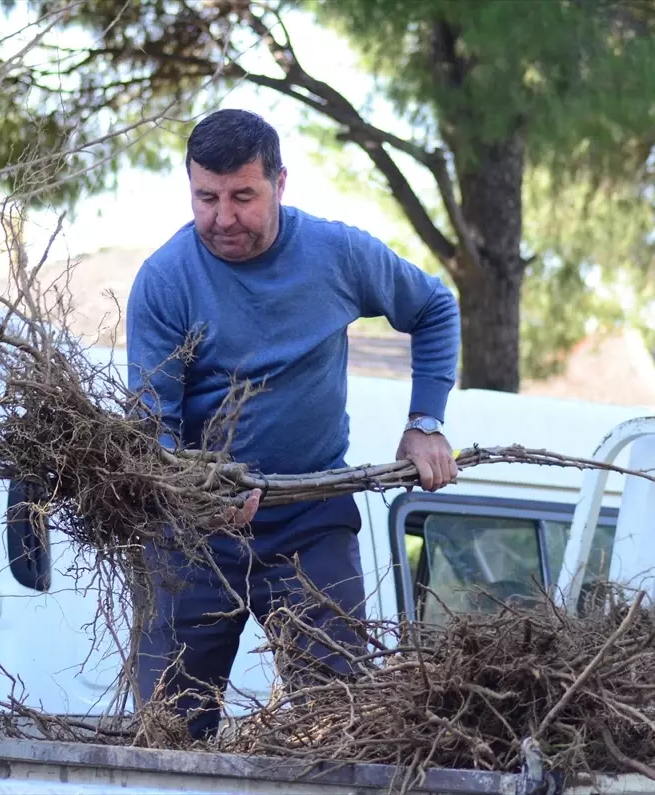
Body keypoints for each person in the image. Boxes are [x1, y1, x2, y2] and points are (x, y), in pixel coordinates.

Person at [126, 108, 461, 739]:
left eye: (243, 197)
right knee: (166, 734)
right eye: (207, 198)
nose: (223, 218)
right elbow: (153, 431)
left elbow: (435, 307)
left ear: (281, 184)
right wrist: (198, 494)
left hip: (311, 521)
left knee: (343, 726)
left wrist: (425, 421)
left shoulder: (338, 255)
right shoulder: (165, 281)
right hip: (194, 537)